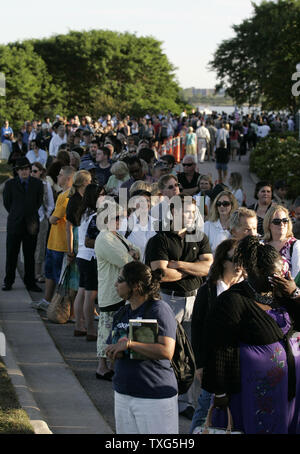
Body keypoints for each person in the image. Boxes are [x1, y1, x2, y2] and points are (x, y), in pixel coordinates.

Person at [201, 235, 300, 434]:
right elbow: (218, 347)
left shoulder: (282, 295)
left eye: (284, 271)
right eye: (275, 274)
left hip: (286, 392)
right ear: (257, 272)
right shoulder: (233, 301)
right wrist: (219, 390)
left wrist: (295, 293)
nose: (281, 277)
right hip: (250, 394)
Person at [145, 195, 213, 419]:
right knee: (167, 351)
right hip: (168, 300)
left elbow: (208, 267)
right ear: (173, 213)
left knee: (192, 353)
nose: (191, 216)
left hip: (195, 300)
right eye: (186, 212)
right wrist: (194, 268)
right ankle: (162, 396)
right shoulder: (160, 240)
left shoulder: (199, 237)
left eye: (194, 213)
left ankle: (187, 402)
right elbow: (161, 273)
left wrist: (181, 265)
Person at [105, 261, 178, 434]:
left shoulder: (158, 309)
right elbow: (113, 344)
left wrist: (130, 344)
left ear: (136, 286)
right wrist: (113, 351)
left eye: (120, 280)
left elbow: (167, 351)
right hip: (123, 392)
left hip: (153, 396)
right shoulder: (122, 312)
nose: (116, 284)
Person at [190, 239, 243, 433]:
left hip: (238, 361)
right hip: (213, 362)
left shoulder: (245, 290)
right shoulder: (208, 291)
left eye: (242, 260)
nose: (239, 265)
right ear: (222, 261)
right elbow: (197, 329)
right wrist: (200, 364)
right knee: (205, 408)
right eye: (234, 260)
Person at [95, 200, 140, 380]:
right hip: (110, 290)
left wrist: (133, 254)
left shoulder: (116, 235)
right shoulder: (104, 237)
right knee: (106, 328)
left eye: (122, 216)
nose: (122, 219)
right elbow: (125, 260)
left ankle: (113, 364)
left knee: (118, 328)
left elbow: (135, 250)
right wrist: (132, 255)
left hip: (121, 290)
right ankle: (102, 366)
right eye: (118, 217)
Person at [31, 166, 75, 310]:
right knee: (49, 272)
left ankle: (59, 306)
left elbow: (55, 218)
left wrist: (51, 218)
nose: (58, 177)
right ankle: (47, 300)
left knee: (59, 276)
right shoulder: (62, 194)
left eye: (61, 175)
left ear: (69, 178)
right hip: (53, 240)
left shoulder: (68, 195)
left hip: (61, 243)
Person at [2, 157, 43, 292]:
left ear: (30, 170)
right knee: (11, 254)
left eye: (26, 169)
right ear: (17, 171)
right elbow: (7, 203)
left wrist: (28, 213)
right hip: (15, 223)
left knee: (29, 255)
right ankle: (8, 281)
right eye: (21, 170)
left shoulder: (37, 184)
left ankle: (30, 282)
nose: (24, 172)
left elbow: (38, 202)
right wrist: (17, 213)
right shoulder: (10, 184)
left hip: (31, 223)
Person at [73, 184, 105, 340]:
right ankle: (91, 329)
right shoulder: (95, 215)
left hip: (81, 256)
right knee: (90, 296)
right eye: (101, 195)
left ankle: (79, 326)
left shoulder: (84, 212)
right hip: (91, 256)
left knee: (82, 291)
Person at [31, 162, 55, 283]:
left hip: (41, 219)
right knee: (29, 246)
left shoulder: (45, 185)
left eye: (35, 171)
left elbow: (51, 204)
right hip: (29, 220)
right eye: (31, 171)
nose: (32, 173)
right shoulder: (27, 184)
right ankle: (30, 271)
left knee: (40, 246)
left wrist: (46, 215)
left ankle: (38, 272)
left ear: (41, 172)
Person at [263, 204, 300, 279]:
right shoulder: (261, 244)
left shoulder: (295, 245)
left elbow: (296, 277)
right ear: (269, 224)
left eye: (285, 220)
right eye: (277, 221)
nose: (282, 224)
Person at [204, 190, 238, 255]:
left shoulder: (237, 225)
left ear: (232, 205)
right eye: (218, 204)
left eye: (225, 204)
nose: (221, 206)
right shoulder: (207, 225)